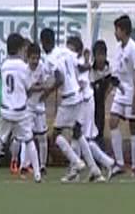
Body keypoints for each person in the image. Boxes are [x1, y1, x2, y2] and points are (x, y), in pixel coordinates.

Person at [39, 28, 103, 183]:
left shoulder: (50, 59)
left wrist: (47, 92)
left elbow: (60, 79)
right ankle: (94, 170)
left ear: (44, 42)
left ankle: (76, 162)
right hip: (79, 96)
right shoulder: (65, 51)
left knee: (56, 135)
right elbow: (82, 66)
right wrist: (88, 63)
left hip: (68, 98)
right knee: (77, 132)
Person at [0, 33, 41, 183]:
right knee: (28, 140)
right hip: (20, 111)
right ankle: (37, 174)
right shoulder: (24, 67)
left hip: (6, 109)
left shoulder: (4, 65)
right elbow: (28, 86)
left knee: (1, 140)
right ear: (20, 49)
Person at [67, 36, 116, 177]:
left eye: (70, 49)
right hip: (82, 103)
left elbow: (82, 85)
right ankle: (95, 166)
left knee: (82, 136)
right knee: (79, 136)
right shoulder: (75, 64)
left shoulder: (82, 65)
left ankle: (87, 167)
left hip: (86, 103)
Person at [108, 15, 135, 178]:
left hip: (132, 91)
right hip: (121, 91)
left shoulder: (133, 48)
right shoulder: (118, 48)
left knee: (133, 127)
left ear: (123, 30)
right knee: (113, 121)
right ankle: (119, 163)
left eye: (117, 29)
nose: (115, 33)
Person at [21, 42, 50, 174]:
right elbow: (29, 88)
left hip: (40, 106)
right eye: (33, 58)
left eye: (37, 58)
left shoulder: (42, 67)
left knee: (43, 137)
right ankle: (24, 165)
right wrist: (39, 87)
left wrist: (42, 90)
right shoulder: (24, 70)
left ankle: (42, 165)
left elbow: (47, 84)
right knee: (27, 136)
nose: (35, 61)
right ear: (27, 57)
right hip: (28, 107)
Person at [90, 40, 112, 148]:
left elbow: (112, 83)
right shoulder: (90, 70)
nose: (100, 58)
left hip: (100, 104)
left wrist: (105, 95)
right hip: (90, 104)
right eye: (98, 55)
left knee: (100, 127)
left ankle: (100, 149)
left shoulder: (109, 70)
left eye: (102, 55)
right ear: (94, 56)